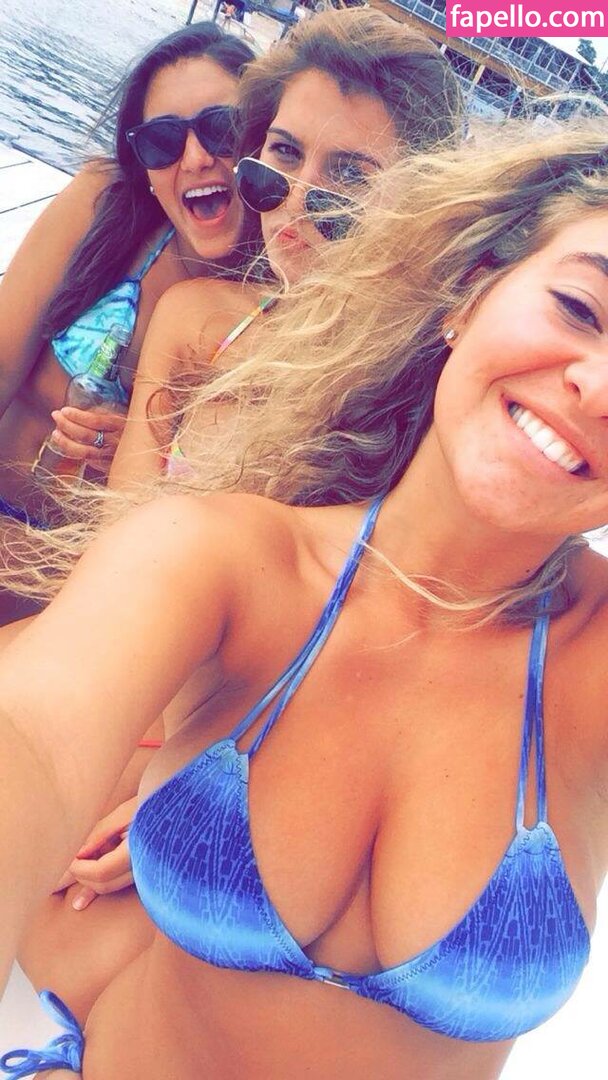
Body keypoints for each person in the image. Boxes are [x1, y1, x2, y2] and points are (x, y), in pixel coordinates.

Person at [1, 119, 608, 1078]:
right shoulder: (221, 558)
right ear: (469, 295)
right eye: (580, 308)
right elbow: (30, 737)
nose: (598, 387)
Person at [107, 6, 462, 487]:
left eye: (350, 175)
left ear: (421, 200)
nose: (294, 200)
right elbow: (121, 514)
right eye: (286, 152)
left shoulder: (419, 390)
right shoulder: (192, 318)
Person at [0, 20, 257, 625]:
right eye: (162, 141)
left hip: (75, 585)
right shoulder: (102, 206)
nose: (195, 157)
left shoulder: (268, 310)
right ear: (143, 164)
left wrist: (149, 452)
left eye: (221, 128)